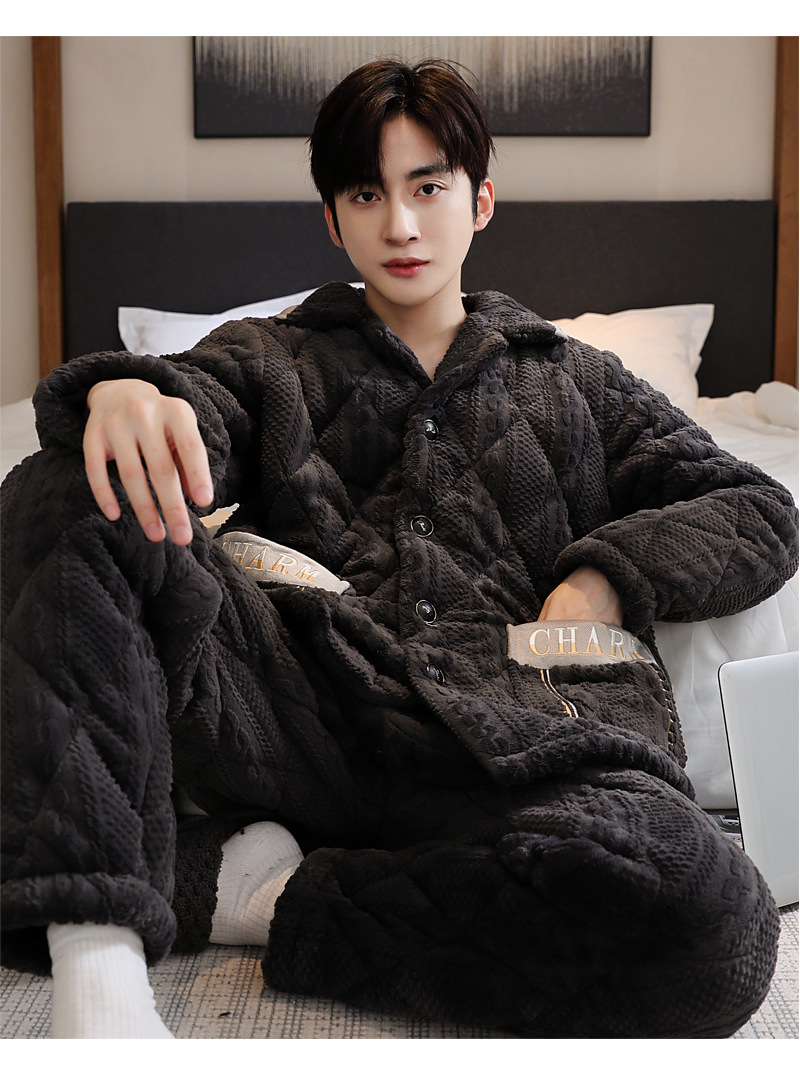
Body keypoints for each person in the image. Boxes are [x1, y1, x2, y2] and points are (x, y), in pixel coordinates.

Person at [1, 58, 797, 1040]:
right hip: (297, 712)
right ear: (334, 221)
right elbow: (186, 417)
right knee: (70, 482)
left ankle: (262, 892)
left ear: (480, 199)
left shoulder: (579, 381)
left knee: (712, 923)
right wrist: (123, 390)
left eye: (428, 188)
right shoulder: (268, 355)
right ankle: (98, 967)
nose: (401, 226)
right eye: (367, 195)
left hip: (517, 729)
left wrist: (602, 577)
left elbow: (753, 508)